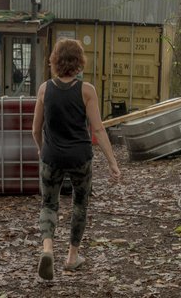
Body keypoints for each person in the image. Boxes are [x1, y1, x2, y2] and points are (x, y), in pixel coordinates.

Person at [32, 38, 121, 281]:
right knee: (80, 204)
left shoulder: (44, 90)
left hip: (51, 157)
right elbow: (99, 130)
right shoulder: (86, 90)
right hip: (80, 157)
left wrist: (42, 150)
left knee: (49, 204)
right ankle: (72, 257)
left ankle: (48, 249)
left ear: (55, 61)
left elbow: (35, 129)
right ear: (79, 63)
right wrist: (113, 163)